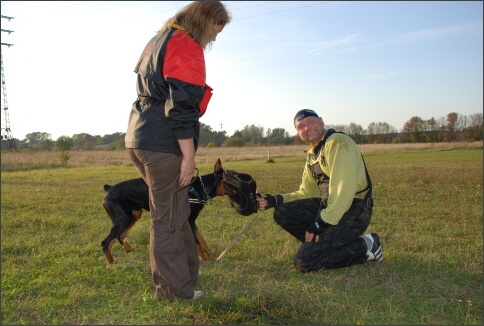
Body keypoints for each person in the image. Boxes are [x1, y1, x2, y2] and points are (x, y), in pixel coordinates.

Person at [124, 1, 231, 301]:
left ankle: (186, 278)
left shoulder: (159, 39)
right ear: (207, 19)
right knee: (168, 219)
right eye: (216, 29)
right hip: (164, 143)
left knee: (178, 212)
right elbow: (182, 108)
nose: (215, 38)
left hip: (139, 136)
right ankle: (173, 292)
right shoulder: (185, 44)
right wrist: (189, 156)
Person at [256, 109, 383, 272]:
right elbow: (305, 193)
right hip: (330, 207)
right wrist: (275, 200)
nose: (307, 128)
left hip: (354, 210)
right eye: (301, 126)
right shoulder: (312, 155)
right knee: (283, 212)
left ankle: (367, 246)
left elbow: (343, 191)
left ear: (321, 121)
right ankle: (320, 247)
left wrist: (320, 223)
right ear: (297, 132)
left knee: (305, 263)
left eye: (310, 122)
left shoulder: (338, 143)